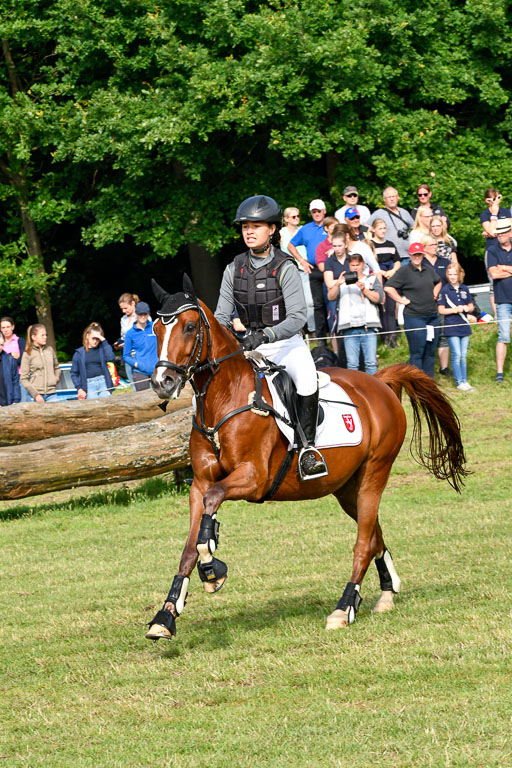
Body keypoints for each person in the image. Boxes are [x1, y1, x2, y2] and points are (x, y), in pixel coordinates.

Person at [215, 194, 328, 480]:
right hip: (249, 348)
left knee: (306, 378)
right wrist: (227, 339)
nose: (249, 232)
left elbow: (298, 317)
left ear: (272, 229)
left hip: (286, 344)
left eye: (256, 226)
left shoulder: (286, 266)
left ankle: (308, 449)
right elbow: (221, 317)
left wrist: (266, 335)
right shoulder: (233, 269)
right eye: (245, 227)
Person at [384, 242, 442, 377]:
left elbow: (438, 281)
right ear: (410, 255)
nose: (417, 257)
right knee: (417, 352)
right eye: (414, 254)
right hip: (415, 317)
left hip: (432, 316)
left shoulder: (428, 269)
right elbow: (388, 287)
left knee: (430, 351)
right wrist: (401, 300)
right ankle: (416, 382)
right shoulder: (404, 271)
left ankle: (429, 382)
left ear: (423, 255)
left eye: (419, 254)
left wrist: (434, 294)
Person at [334, 253, 383, 375]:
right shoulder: (342, 281)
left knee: (371, 363)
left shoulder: (371, 279)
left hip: (368, 327)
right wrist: (337, 284)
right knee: (352, 364)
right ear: (349, 266)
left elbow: (379, 298)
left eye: (358, 265)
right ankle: (354, 387)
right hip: (349, 328)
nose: (355, 267)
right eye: (352, 265)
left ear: (363, 265)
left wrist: (364, 289)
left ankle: (373, 386)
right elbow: (330, 296)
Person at [288, 199, 329, 340]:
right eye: (314, 211)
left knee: (332, 302)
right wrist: (301, 260)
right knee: (317, 304)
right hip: (314, 269)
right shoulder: (305, 229)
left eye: (319, 211)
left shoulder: (331, 225)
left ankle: (336, 336)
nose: (317, 214)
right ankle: (321, 339)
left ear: (324, 211)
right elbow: (290, 245)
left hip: (331, 268)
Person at [438, 264, 475, 391]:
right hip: (451, 326)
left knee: (463, 355)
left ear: (460, 274)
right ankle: (459, 382)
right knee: (457, 354)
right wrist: (454, 310)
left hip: (464, 326)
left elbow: (471, 306)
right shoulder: (444, 290)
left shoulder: (465, 288)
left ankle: (465, 380)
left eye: (455, 274)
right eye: (450, 274)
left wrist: (467, 308)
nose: (453, 277)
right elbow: (441, 310)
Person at [280, 207, 315, 334]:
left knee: (310, 302)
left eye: (298, 216)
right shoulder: (281, 233)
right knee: (292, 304)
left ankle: (312, 330)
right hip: (289, 272)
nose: (297, 218)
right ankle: (297, 331)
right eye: (293, 216)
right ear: (286, 219)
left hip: (305, 270)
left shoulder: (303, 230)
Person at [486, 218, 512, 383]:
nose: (501, 235)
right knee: (503, 336)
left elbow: (499, 271)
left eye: (503, 232)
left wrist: (504, 267)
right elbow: (494, 274)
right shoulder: (492, 250)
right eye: (498, 233)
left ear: (510, 232)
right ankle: (500, 373)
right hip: (502, 299)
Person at [422, 235, 452, 376]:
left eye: (436, 244)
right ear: (424, 248)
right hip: (425, 304)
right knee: (428, 336)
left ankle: (444, 367)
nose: (435, 247)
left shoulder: (444, 262)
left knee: (443, 335)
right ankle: (427, 367)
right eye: (432, 245)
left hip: (443, 303)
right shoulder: (420, 263)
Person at [371, 219, 400, 347]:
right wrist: (381, 272)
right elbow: (370, 263)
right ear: (374, 229)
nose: (382, 231)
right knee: (382, 307)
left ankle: (392, 336)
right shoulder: (371, 245)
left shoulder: (390, 244)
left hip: (390, 276)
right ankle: (384, 336)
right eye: (380, 228)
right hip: (378, 277)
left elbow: (397, 261)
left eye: (384, 228)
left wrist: (392, 271)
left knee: (391, 306)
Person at [367, 187, 414, 264]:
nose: (392, 199)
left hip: (406, 255)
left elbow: (414, 228)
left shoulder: (404, 212)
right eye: (389, 197)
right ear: (384, 199)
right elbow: (367, 229)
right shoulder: (378, 214)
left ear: (398, 197)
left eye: (394, 196)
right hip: (389, 257)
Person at [71, 322, 115, 399]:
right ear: (87, 336)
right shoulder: (79, 353)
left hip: (103, 382)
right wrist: (79, 388)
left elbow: (111, 358)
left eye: (97, 339)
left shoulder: (102, 349)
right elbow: (74, 373)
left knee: (107, 405)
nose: (95, 341)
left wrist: (104, 340)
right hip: (89, 385)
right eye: (93, 338)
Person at [19, 324, 61, 402]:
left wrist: (56, 378)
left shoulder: (50, 350)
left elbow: (57, 367)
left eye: (46, 335)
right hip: (35, 396)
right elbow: (23, 379)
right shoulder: (27, 353)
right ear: (33, 337)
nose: (45, 337)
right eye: (42, 335)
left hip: (52, 394)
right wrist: (35, 395)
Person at [123, 301, 158, 391]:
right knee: (143, 398)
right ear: (136, 314)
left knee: (162, 396)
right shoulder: (130, 333)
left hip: (157, 370)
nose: (143, 317)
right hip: (140, 371)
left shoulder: (155, 327)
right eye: (140, 314)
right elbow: (126, 356)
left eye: (145, 314)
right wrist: (136, 364)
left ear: (148, 314)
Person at [0, 316, 28, 400]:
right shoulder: (0, 343)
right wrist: (12, 356)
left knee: (22, 402)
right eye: (3, 327)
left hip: (19, 377)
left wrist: (9, 360)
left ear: (13, 327)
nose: (6, 330)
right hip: (4, 378)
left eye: (8, 327)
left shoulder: (20, 341)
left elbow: (23, 360)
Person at [0, 331, 21, 406]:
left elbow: (15, 381)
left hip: (9, 403)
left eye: (1, 345)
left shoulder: (9, 359)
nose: (0, 347)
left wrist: (16, 400)